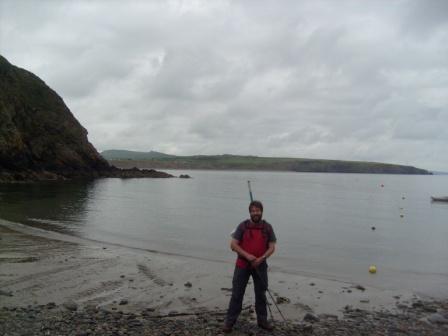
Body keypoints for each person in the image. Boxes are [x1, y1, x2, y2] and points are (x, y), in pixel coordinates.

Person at [223, 200, 277, 333]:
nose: (255, 213)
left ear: (262, 211)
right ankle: (229, 322)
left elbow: (272, 247)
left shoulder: (267, 227)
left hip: (260, 265)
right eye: (253, 211)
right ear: (250, 212)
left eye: (257, 210)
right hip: (242, 264)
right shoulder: (242, 226)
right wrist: (247, 256)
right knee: (237, 293)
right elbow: (233, 245)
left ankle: (262, 321)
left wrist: (262, 258)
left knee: (261, 294)